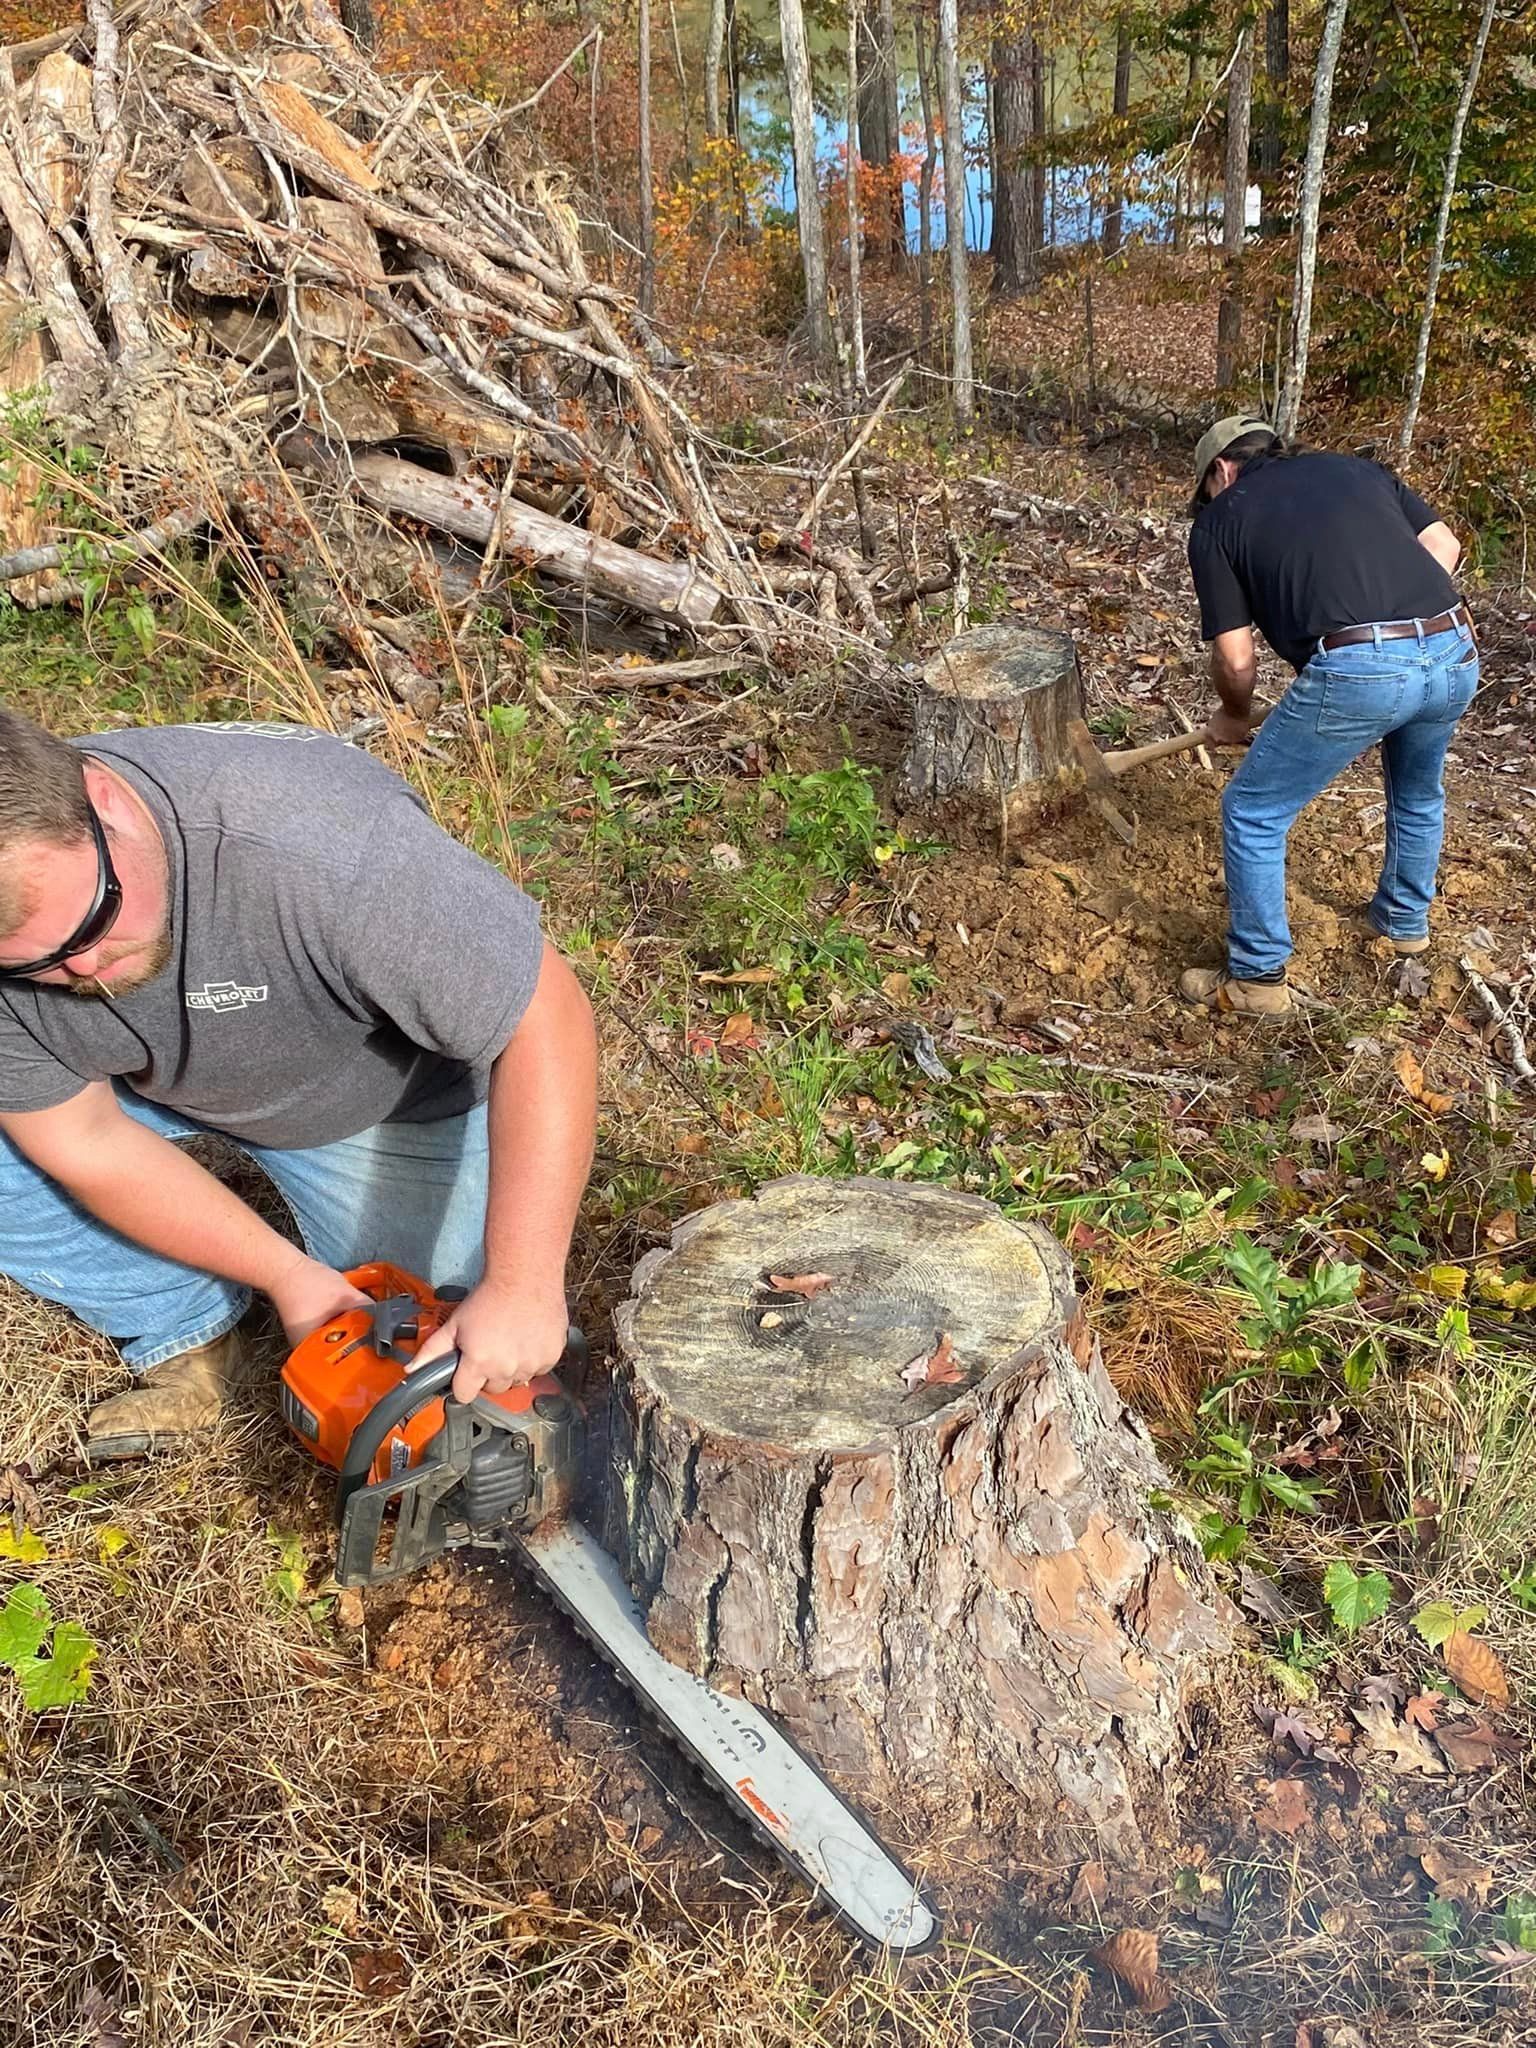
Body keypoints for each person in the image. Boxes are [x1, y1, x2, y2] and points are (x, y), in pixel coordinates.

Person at [0, 711, 597, 1461]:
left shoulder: (316, 848)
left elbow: (546, 1017)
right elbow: (85, 1141)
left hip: (385, 1106)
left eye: (95, 921)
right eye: (34, 967)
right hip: (145, 1091)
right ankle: (190, 1329)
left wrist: (522, 1284)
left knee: (455, 1353)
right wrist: (290, 1279)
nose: (82, 971)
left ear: (104, 801)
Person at [1180, 415, 1477, 1016]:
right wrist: (1402, 616)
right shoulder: (1358, 469)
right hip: (1454, 647)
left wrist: (1233, 716)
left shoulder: (1220, 519)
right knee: (1418, 793)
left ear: (1221, 470)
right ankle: (1401, 925)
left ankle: (1257, 980)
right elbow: (1444, 546)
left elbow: (1236, 659)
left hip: (1362, 670)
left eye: (1207, 489)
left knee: (1252, 811)